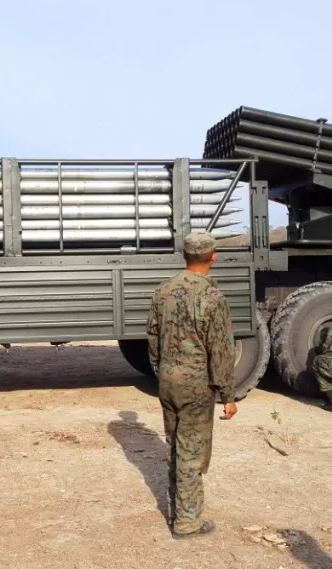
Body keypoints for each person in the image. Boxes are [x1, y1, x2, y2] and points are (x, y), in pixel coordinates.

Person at [146, 230, 237, 540]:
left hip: (168, 381)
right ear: (213, 257)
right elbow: (221, 349)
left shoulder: (163, 291)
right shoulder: (214, 298)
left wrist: (161, 370)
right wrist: (228, 393)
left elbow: (153, 338)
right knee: (192, 452)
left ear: (184, 256)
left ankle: (177, 506)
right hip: (195, 384)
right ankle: (187, 522)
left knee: (175, 444)